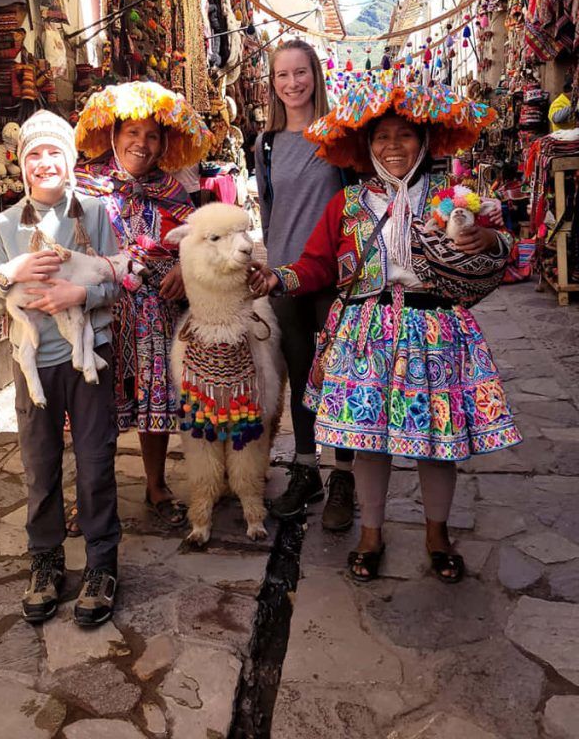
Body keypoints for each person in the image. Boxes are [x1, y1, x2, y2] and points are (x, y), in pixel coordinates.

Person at [250, 76, 522, 583]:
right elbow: (317, 265)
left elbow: (504, 247)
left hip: (434, 331)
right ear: (366, 146)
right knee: (368, 439)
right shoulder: (348, 204)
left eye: (405, 135)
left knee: (438, 440)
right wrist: (278, 278)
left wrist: (488, 239)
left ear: (424, 141)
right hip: (366, 334)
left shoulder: (452, 199)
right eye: (381, 137)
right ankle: (371, 534)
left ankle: (437, 535)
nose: (393, 146)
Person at [0, 110, 121, 627]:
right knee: (40, 465)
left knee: (95, 461)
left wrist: (80, 293)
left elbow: (115, 278)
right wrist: (8, 275)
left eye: (53, 152)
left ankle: (102, 565)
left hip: (88, 359)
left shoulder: (94, 213)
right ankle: (46, 560)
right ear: (21, 165)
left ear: (70, 159)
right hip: (33, 363)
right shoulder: (4, 226)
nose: (44, 163)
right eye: (33, 154)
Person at [75, 82, 212, 527]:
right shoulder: (86, 186)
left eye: (152, 136)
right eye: (132, 132)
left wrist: (184, 267)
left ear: (164, 143)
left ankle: (156, 485)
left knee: (155, 399)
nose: (142, 143)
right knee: (94, 407)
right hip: (100, 310)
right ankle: (91, 495)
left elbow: (199, 241)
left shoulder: (172, 191)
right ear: (114, 135)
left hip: (155, 312)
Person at [254, 39, 355, 530]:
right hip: (285, 277)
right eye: (282, 75)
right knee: (300, 375)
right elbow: (268, 209)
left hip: (335, 277)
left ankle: (345, 476)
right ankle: (307, 468)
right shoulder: (266, 143)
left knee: (341, 377)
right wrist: (271, 266)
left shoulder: (339, 135)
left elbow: (354, 203)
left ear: (315, 74)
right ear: (273, 83)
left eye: (300, 72)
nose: (292, 83)